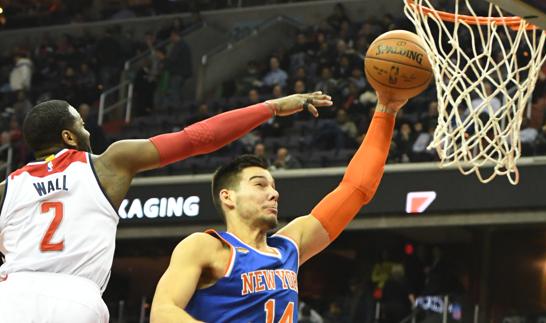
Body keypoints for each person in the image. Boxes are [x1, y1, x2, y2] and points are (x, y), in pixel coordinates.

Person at [0, 92, 331, 323]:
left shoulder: (6, 189)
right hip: (74, 297)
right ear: (69, 137)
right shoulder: (108, 163)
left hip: (10, 294)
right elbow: (198, 138)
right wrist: (270, 107)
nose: (89, 131)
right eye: (83, 125)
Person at [150, 92, 408, 322]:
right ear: (228, 197)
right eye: (260, 185)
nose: (273, 193)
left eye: (273, 186)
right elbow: (163, 312)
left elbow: (356, 189)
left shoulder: (289, 247)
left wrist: (386, 111)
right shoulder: (206, 246)